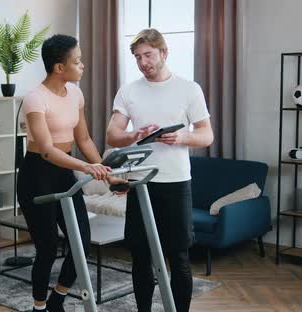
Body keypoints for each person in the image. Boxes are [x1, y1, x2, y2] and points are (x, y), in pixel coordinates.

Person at [106, 28, 214, 312]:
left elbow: (206, 136)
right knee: (141, 255)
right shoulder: (128, 91)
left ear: (164, 53)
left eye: (148, 55)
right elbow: (112, 135)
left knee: (178, 256)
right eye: (138, 57)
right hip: (140, 184)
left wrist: (182, 138)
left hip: (176, 183)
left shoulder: (189, 89)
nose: (143, 62)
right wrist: (133, 135)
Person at [17, 34, 121, 312]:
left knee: (81, 243)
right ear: (59, 67)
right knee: (48, 248)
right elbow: (48, 150)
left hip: (64, 174)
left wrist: (106, 172)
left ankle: (57, 301)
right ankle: (39, 307)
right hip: (37, 175)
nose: (82, 65)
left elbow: (84, 139)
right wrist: (86, 167)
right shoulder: (35, 98)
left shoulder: (76, 93)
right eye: (77, 61)